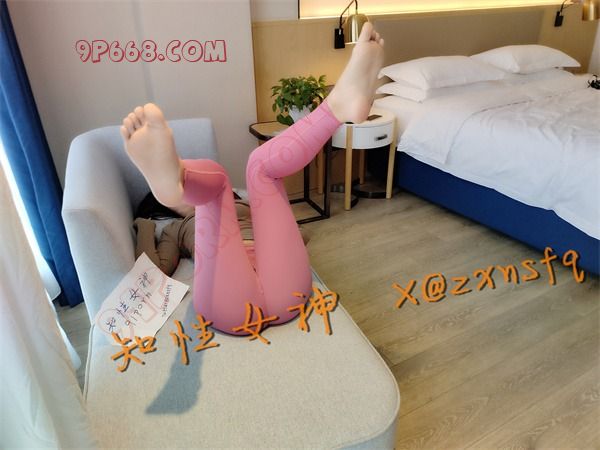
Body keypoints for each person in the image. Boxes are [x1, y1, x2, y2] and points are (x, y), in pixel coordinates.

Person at [120, 23, 384, 334]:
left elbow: (299, 236)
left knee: (252, 168)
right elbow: (156, 269)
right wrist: (144, 226)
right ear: (168, 210)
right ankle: (334, 109)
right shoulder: (176, 228)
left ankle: (339, 106)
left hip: (281, 288)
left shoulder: (241, 205)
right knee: (225, 179)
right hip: (236, 298)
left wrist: (281, 233)